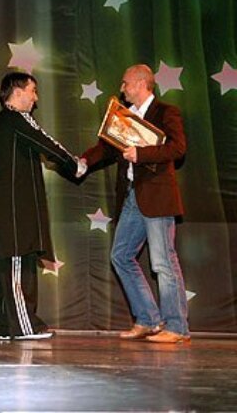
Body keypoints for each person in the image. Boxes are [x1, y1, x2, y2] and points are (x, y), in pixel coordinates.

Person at [82, 64, 189, 343]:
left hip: (157, 196)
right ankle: (149, 319)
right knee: (120, 256)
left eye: (125, 83)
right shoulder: (125, 116)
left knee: (163, 262)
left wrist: (141, 155)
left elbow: (177, 148)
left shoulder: (166, 112)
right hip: (132, 195)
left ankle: (176, 327)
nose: (122, 88)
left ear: (141, 83)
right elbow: (107, 147)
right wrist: (83, 161)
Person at [0, 71, 85, 340]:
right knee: (17, 265)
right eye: (33, 91)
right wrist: (75, 164)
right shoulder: (17, 118)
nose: (36, 98)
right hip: (14, 213)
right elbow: (45, 142)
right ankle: (25, 326)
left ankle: (4, 327)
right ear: (17, 92)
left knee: (1, 268)